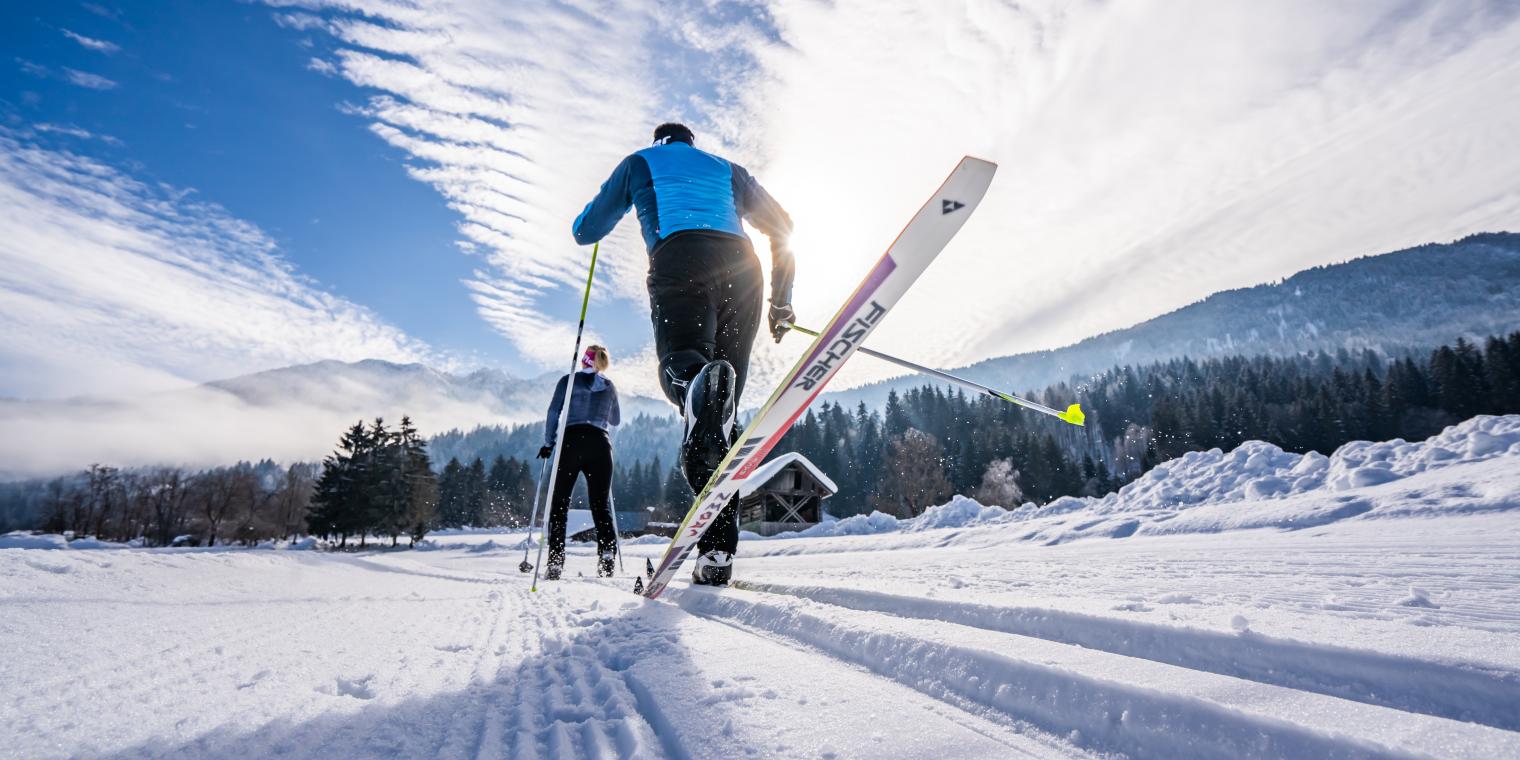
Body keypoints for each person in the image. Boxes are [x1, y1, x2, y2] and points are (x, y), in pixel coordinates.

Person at [571, 122, 794, 586]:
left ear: (660, 142)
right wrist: (782, 301)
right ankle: (716, 556)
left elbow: (586, 230)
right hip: (744, 270)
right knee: (720, 416)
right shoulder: (727, 169)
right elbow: (782, 227)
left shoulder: (640, 162)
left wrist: (588, 221)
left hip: (680, 259)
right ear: (693, 143)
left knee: (690, 372)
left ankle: (694, 385)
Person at [539, 345, 622, 580]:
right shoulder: (609, 386)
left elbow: (554, 411)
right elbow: (615, 419)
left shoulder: (568, 381)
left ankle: (555, 561)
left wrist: (548, 442)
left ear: (584, 360)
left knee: (560, 503)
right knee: (600, 505)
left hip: (571, 442)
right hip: (600, 444)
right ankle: (607, 555)